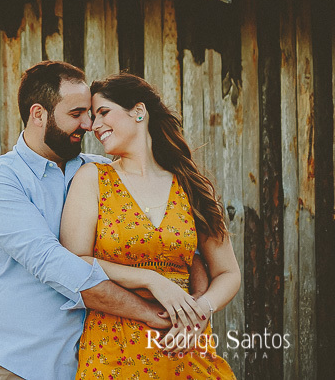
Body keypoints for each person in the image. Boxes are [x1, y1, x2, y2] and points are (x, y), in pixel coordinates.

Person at [0, 62, 205, 380]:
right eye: (76, 113)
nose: (88, 124)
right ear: (38, 114)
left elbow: (178, 246)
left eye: (91, 113)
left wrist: (196, 310)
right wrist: (154, 310)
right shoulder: (2, 181)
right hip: (21, 366)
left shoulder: (102, 173)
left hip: (97, 366)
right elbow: (58, 266)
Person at [60, 72, 239, 379]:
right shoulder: (93, 179)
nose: (95, 126)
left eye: (103, 112)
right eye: (92, 117)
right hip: (113, 352)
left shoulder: (192, 185)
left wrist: (202, 309)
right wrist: (150, 279)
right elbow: (75, 261)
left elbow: (228, 272)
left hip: (185, 349)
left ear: (138, 111)